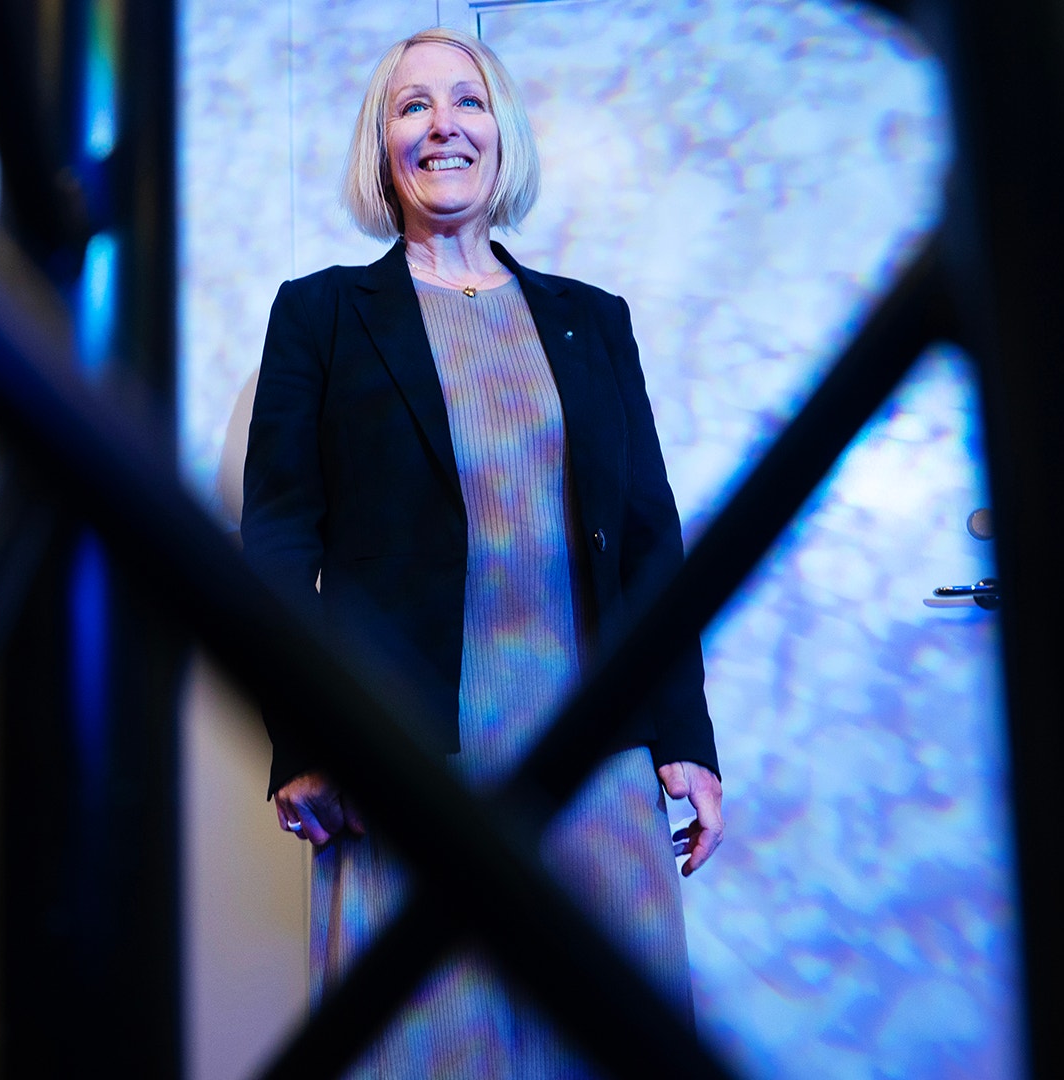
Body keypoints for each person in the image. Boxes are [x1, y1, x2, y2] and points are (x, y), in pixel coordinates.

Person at [240, 26, 725, 1076]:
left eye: (467, 100)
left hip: (597, 753)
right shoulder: (321, 315)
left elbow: (653, 544)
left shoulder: (594, 321)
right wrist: (302, 738)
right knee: (430, 1044)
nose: (443, 126)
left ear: (503, 133)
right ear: (380, 146)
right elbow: (275, 545)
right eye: (411, 105)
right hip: (408, 761)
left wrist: (685, 736)